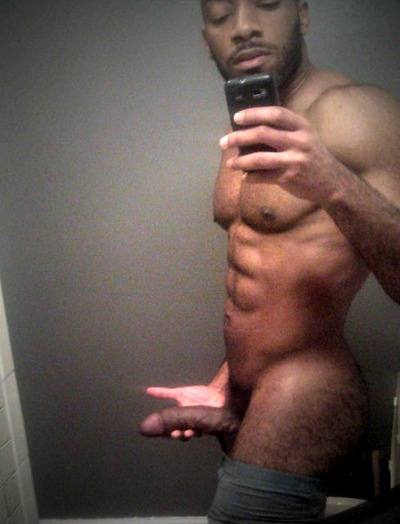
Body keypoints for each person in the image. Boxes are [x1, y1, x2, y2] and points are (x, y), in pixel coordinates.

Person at [140, 1, 400, 522]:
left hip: (308, 385)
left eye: (265, 3)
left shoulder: (357, 112)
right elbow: (267, 271)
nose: (243, 27)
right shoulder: (247, 121)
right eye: (221, 16)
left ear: (302, 14)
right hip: (245, 389)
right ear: (206, 41)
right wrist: (225, 383)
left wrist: (331, 181)